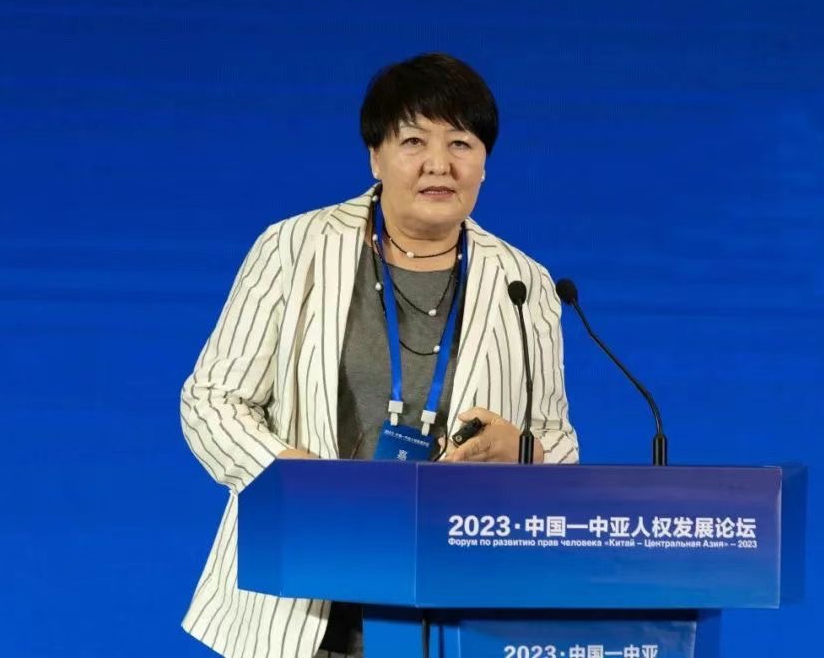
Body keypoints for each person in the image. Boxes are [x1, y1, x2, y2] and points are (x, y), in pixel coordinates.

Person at [179, 52, 579, 658]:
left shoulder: (524, 283)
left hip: (453, 608)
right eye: (414, 141)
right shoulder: (294, 247)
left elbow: (557, 440)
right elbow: (211, 401)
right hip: (302, 603)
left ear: (484, 163)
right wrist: (292, 476)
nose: (439, 164)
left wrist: (526, 451)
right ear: (375, 156)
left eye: (461, 143)